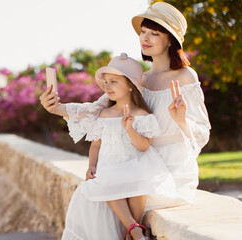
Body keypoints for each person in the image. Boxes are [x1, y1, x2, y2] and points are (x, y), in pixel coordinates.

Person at [39, 2, 211, 239]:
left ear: (170, 40)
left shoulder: (184, 76)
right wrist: (57, 108)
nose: (145, 38)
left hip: (170, 169)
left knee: (107, 194)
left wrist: (181, 120)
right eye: (143, 32)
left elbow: (202, 130)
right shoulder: (138, 79)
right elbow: (97, 109)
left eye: (154, 33)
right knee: (93, 196)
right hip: (135, 162)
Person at [61, 53, 178, 240]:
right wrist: (91, 166)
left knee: (139, 179)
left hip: (136, 161)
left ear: (131, 85)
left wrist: (129, 128)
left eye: (113, 82)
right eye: (105, 82)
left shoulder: (141, 114)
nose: (107, 86)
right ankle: (134, 229)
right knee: (106, 179)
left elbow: (143, 146)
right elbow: (96, 145)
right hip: (110, 164)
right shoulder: (104, 114)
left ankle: (133, 227)